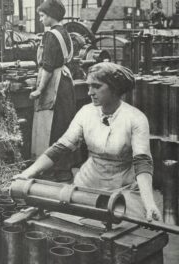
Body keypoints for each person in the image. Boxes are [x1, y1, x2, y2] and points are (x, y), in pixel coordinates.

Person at [16, 62, 161, 222]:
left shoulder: (135, 118)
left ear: (115, 88)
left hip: (122, 188)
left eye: (97, 87)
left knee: (126, 227)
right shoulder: (86, 112)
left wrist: (149, 204)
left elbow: (142, 162)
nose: (90, 92)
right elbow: (60, 148)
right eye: (89, 86)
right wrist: (27, 173)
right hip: (87, 185)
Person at [30, 0, 76, 181]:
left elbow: (48, 67)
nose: (41, 19)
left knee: (52, 127)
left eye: (42, 16)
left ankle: (52, 170)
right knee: (64, 124)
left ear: (51, 16)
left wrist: (39, 90)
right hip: (65, 81)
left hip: (54, 84)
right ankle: (64, 168)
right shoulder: (65, 33)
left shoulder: (50, 36)